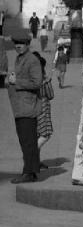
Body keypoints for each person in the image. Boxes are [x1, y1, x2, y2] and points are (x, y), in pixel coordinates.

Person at [7, 32, 43, 183]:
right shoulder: (20, 58)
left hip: (27, 107)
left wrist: (17, 82)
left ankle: (28, 172)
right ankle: (32, 171)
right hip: (20, 107)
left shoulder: (32, 60)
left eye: (21, 44)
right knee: (26, 141)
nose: (18, 46)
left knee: (28, 141)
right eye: (16, 44)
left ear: (28, 44)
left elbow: (37, 82)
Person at [32, 52, 54, 171]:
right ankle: (32, 157)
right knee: (45, 135)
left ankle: (36, 161)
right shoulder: (42, 79)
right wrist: (48, 81)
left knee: (39, 135)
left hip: (34, 108)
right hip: (42, 109)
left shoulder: (31, 76)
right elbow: (51, 95)